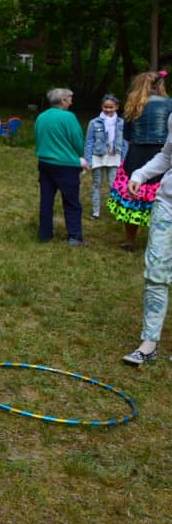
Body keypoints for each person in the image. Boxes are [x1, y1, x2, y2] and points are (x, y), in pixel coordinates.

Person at [121, 128, 172, 365]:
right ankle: (149, 343)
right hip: (167, 205)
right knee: (156, 273)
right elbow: (167, 155)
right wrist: (140, 175)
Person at [108, 71, 172, 249]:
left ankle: (130, 239)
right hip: (161, 152)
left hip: (136, 154)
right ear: (160, 85)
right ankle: (159, 238)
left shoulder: (133, 103)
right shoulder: (170, 104)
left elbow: (127, 134)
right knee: (161, 197)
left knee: (133, 194)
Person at [35, 88, 88, 245]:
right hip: (66, 165)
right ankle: (74, 236)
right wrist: (80, 155)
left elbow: (38, 136)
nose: (71, 101)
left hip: (45, 162)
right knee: (71, 202)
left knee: (46, 200)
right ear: (63, 100)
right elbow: (77, 140)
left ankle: (44, 234)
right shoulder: (68, 117)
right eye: (70, 98)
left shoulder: (41, 116)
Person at [84, 93, 126, 219]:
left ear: (116, 107)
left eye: (111, 107)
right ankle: (96, 212)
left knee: (114, 184)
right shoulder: (94, 122)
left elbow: (125, 142)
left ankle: (116, 210)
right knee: (97, 184)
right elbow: (89, 141)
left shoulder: (121, 123)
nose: (108, 110)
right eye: (105, 107)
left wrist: (124, 159)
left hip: (114, 157)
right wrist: (88, 160)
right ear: (102, 106)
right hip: (98, 156)